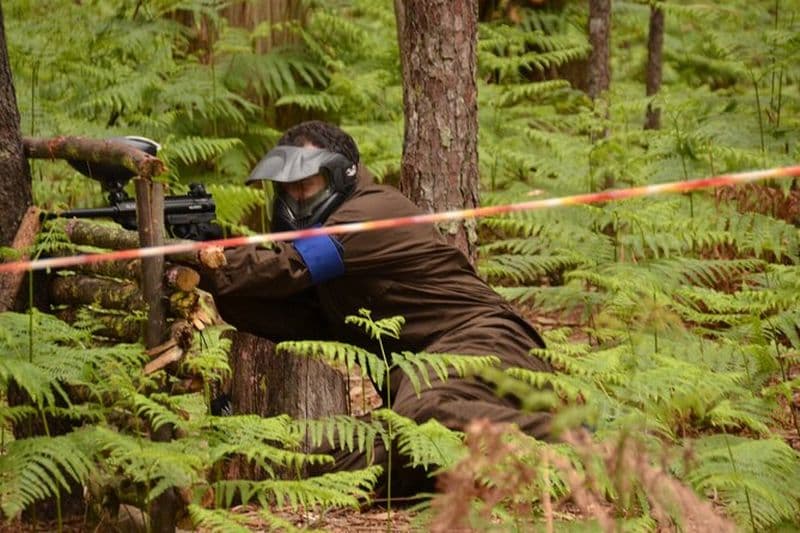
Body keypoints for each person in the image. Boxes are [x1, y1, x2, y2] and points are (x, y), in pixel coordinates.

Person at [197, 120, 552, 495]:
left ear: (337, 177)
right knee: (329, 465)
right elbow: (284, 309)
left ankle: (573, 444)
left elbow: (290, 264)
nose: (294, 202)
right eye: (286, 192)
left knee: (423, 418)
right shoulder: (336, 279)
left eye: (304, 187)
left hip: (490, 345)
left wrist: (202, 263)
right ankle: (516, 472)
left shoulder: (370, 212)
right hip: (426, 380)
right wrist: (203, 278)